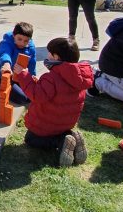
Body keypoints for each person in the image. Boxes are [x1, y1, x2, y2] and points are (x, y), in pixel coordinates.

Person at [16, 37, 93, 167]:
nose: (47, 55)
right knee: (61, 132)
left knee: (30, 139)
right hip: (65, 124)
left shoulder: (51, 78)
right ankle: (71, 136)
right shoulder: (79, 78)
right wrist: (37, 82)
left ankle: (60, 142)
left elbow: (37, 95)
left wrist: (24, 76)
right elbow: (58, 93)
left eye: (49, 53)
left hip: (46, 125)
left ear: (56, 57)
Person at [0, 22, 37, 104]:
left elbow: (32, 63)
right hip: (0, 75)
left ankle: (2, 89)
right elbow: (5, 53)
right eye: (19, 39)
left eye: (26, 41)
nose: (22, 43)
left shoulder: (31, 47)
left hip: (16, 76)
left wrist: (32, 77)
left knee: (30, 96)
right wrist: (6, 64)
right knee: (23, 99)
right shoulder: (6, 42)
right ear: (14, 35)